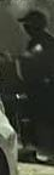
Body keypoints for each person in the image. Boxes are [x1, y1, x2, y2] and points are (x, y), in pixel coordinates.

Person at [18, 9, 54, 154]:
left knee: (44, 123)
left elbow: (33, 58)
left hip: (45, 92)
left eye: (28, 24)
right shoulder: (38, 41)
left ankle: (47, 152)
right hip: (38, 90)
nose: (25, 28)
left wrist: (21, 59)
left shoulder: (43, 42)